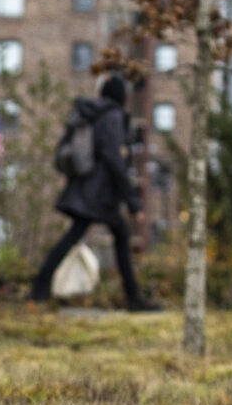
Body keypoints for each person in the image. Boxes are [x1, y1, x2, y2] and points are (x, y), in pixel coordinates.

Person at [31, 74, 154, 311]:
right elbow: (115, 160)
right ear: (121, 96)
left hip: (88, 188)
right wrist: (134, 204)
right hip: (100, 193)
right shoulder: (112, 117)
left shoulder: (93, 113)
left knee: (87, 236)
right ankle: (134, 298)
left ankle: (39, 287)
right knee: (115, 236)